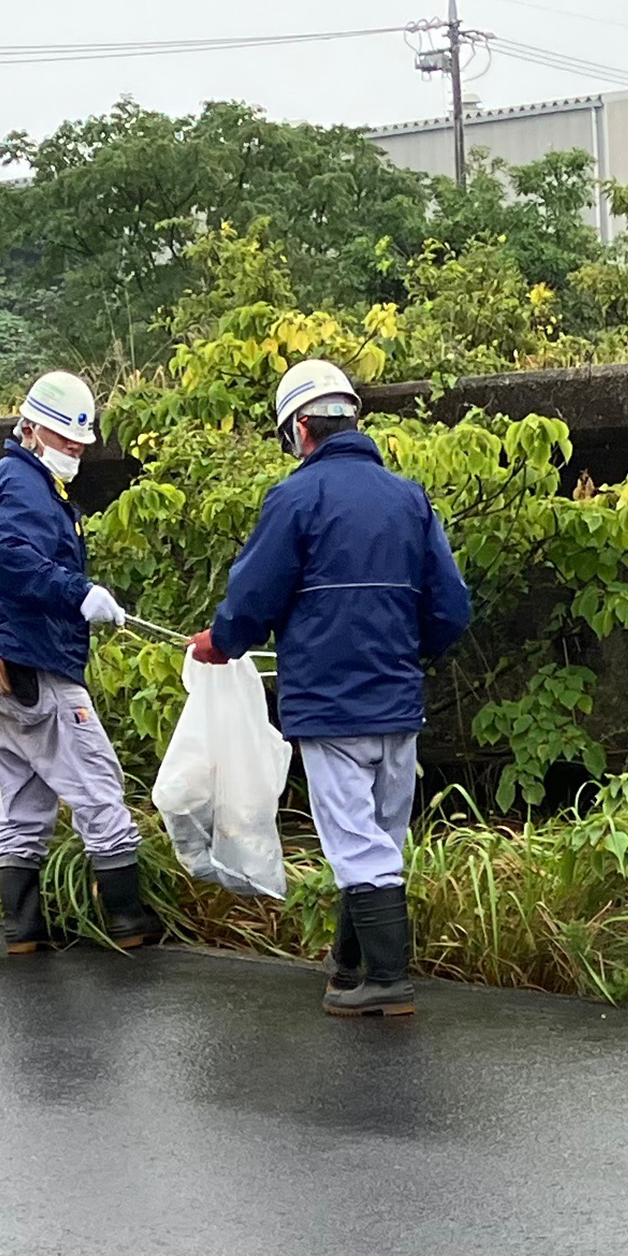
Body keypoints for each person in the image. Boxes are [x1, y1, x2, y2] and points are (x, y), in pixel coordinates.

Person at [189, 361, 471, 1017]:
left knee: (353, 842)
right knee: (378, 839)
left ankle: (387, 980)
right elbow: (452, 607)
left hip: (329, 705)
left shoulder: (295, 499)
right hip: (396, 703)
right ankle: (350, 967)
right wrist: (407, 654)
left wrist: (220, 643)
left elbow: (253, 594)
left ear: (299, 430)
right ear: (352, 418)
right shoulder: (409, 498)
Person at [0, 370, 155, 954]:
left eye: (80, 444)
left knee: (22, 798)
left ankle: (23, 932)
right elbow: (11, 558)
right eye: (64, 440)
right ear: (29, 430)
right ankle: (129, 922)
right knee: (97, 785)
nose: (73, 452)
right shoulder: (26, 486)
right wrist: (78, 592)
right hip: (30, 661)